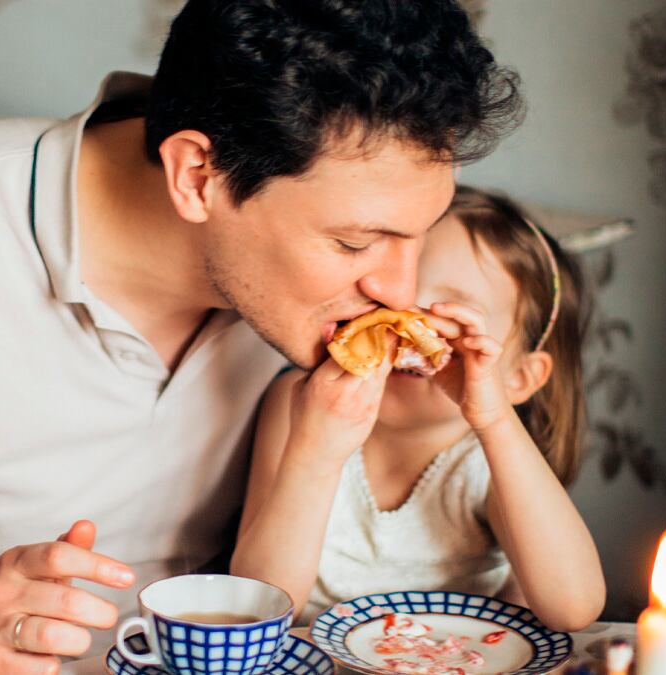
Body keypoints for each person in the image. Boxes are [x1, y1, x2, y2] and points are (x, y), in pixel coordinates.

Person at [0, 1, 524, 670]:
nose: (398, 288)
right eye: (356, 244)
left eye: (419, 235)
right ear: (197, 175)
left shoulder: (317, 295)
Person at [230, 186, 606, 632]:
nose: (407, 328)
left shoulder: (489, 459)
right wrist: (315, 454)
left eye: (450, 317)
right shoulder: (302, 404)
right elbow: (257, 609)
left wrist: (495, 418)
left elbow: (575, 608)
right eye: (395, 302)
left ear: (518, 378)